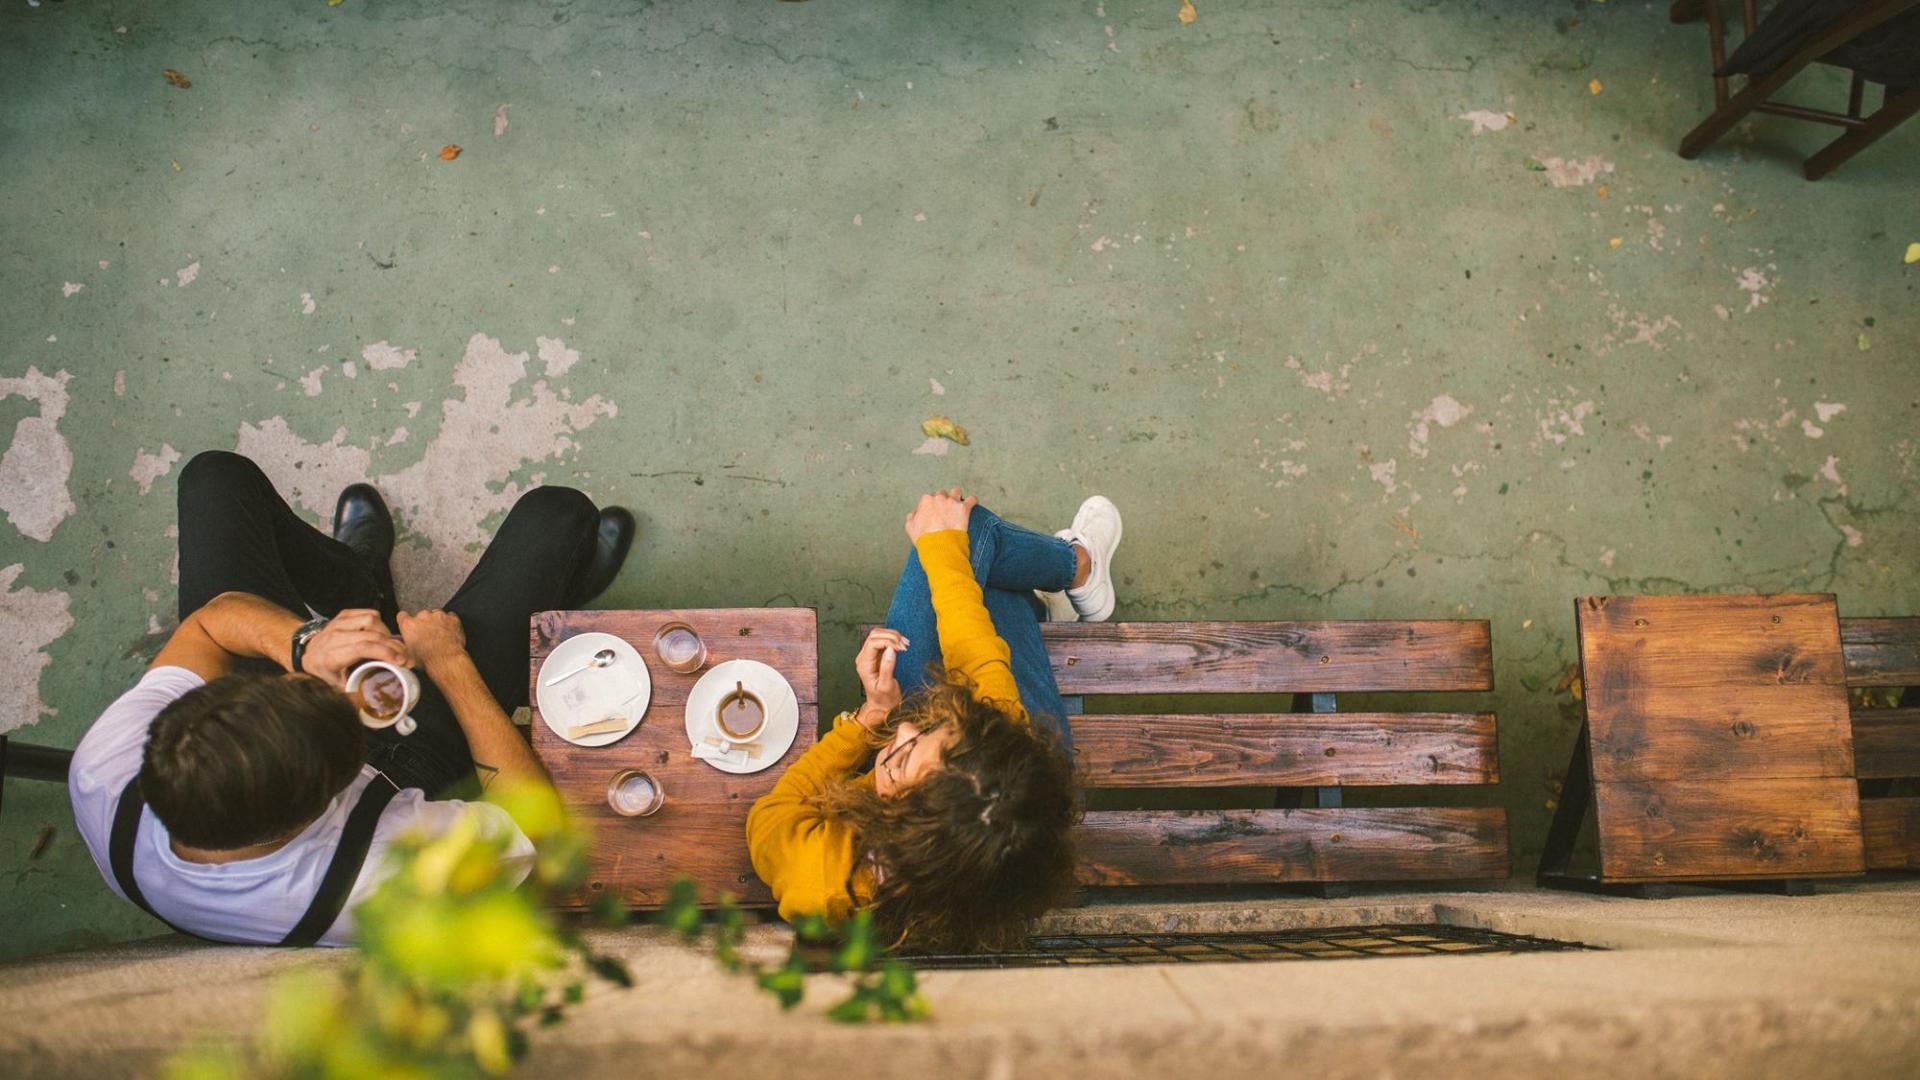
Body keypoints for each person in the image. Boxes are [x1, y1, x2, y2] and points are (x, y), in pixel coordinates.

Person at [67, 450, 634, 946]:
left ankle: (359, 580)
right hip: (402, 766)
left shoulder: (107, 769)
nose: (348, 684)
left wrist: (305, 646)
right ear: (328, 800)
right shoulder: (376, 881)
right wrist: (449, 664)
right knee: (558, 516)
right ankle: (552, 595)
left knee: (215, 477)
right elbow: (538, 833)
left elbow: (208, 626)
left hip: (290, 731)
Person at [747, 488, 1122, 953]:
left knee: (975, 541)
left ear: (893, 824)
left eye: (902, 758)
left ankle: (1051, 587)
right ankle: (1081, 568)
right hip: (1030, 801)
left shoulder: (820, 878)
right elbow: (982, 666)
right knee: (964, 543)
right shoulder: (1002, 775)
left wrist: (867, 721)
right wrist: (943, 546)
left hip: (1003, 821)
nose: (903, 728)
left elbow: (771, 813)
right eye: (927, 731)